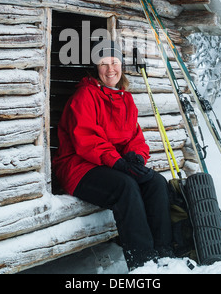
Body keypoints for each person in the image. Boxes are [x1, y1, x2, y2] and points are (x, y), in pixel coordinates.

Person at [52, 40, 173, 271]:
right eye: (103, 63)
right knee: (125, 187)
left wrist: (135, 156)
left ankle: (165, 254)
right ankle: (143, 263)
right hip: (78, 167)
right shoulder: (85, 95)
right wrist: (117, 162)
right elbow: (86, 139)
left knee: (156, 182)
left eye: (114, 62)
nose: (110, 69)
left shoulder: (125, 99)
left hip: (111, 165)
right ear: (95, 67)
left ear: (121, 65)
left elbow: (134, 137)